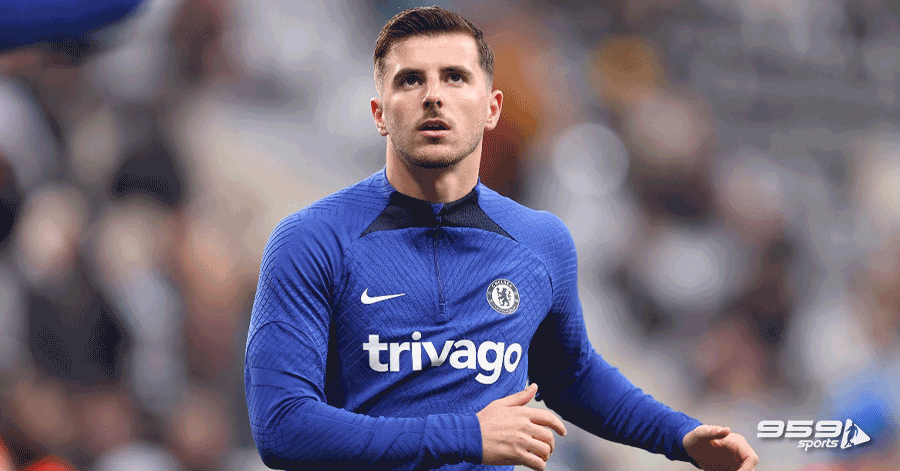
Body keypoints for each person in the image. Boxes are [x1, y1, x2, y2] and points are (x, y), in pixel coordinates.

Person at [244, 6, 759, 471]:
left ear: (491, 108)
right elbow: (282, 427)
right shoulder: (311, 241)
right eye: (410, 80)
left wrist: (680, 436)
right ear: (379, 112)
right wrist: (467, 435)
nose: (433, 96)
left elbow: (572, 376)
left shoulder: (541, 241)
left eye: (455, 77)